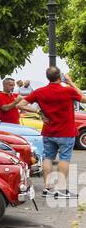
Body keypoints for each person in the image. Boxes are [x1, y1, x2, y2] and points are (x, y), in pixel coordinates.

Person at [23, 67, 84, 198]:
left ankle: (47, 188)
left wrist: (39, 112)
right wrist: (71, 82)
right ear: (59, 77)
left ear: (47, 77)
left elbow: (20, 105)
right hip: (66, 131)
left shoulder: (39, 91)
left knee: (48, 158)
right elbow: (84, 98)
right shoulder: (67, 91)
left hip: (49, 131)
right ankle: (61, 190)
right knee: (64, 159)